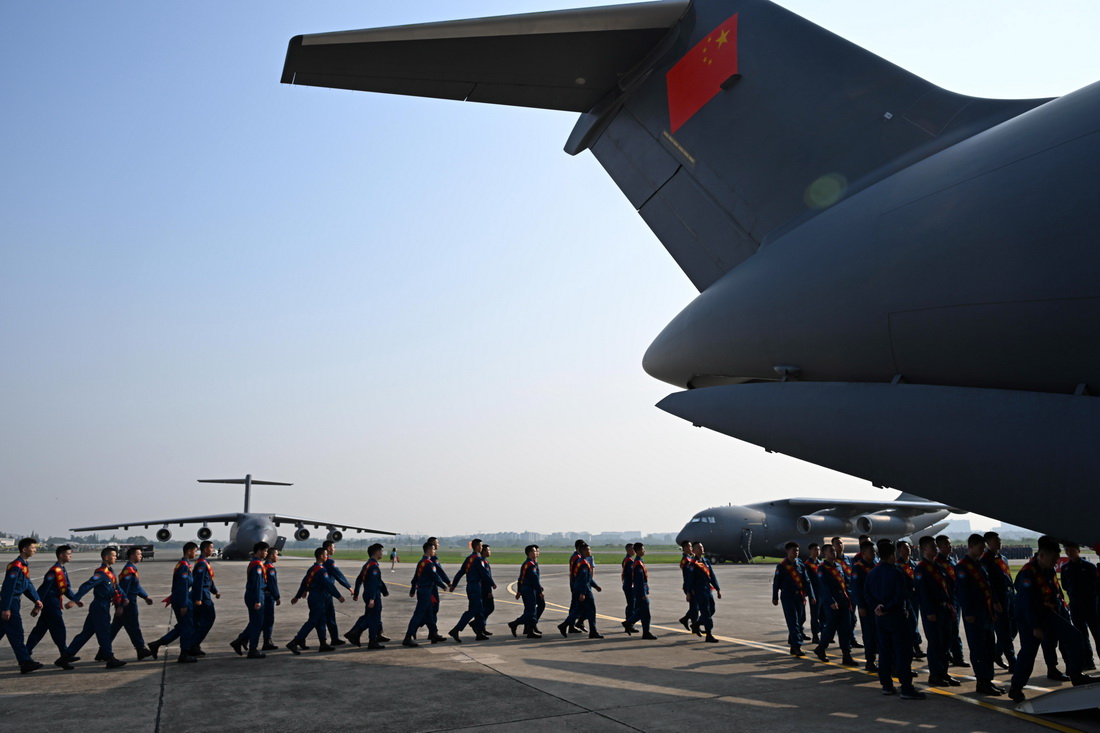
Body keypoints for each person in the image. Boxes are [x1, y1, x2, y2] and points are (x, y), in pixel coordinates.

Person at [1008, 536, 1099, 702]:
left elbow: (1053, 594)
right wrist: (1036, 627)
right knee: (1029, 653)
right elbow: (1027, 604)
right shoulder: (1027, 573)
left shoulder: (1048, 570)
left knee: (1074, 636)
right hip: (1029, 618)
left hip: (1046, 612)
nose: (1055, 562)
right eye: (1053, 559)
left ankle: (1076, 675)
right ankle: (1016, 688)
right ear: (1041, 555)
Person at [864, 540, 925, 699]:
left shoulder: (872, 573)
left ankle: (886, 685)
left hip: (880, 619)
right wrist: (887, 608)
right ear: (892, 555)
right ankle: (906, 687)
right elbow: (900, 595)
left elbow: (867, 594)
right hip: (896, 617)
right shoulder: (896, 572)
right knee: (902, 652)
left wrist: (877, 607)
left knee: (884, 651)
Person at [63, 546, 130, 669]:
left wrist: (124, 598)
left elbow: (117, 587)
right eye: (114, 556)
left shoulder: (110, 572)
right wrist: (74, 600)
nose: (116, 557)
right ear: (106, 557)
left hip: (103, 605)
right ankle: (110, 658)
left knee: (87, 633)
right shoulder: (101, 573)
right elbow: (86, 586)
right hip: (100, 606)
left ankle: (65, 657)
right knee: (104, 632)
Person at [955, 534, 1004, 695]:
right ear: (971, 546)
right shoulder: (963, 566)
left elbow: (988, 586)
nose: (983, 550)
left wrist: (995, 602)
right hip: (974, 614)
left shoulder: (978, 564)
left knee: (989, 647)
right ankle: (982, 682)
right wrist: (968, 612)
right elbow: (963, 592)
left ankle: (988, 680)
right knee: (979, 649)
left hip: (986, 612)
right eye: (980, 547)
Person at [26, 544, 82, 668]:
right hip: (50, 603)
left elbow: (66, 589)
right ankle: (64, 655)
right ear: (61, 555)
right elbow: (43, 589)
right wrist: (37, 605)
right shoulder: (54, 571)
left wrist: (75, 599)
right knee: (59, 629)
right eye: (68, 554)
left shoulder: (62, 569)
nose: (71, 556)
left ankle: (26, 652)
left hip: (54, 602)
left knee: (40, 630)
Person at [914, 535, 959, 687]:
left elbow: (948, 589)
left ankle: (943, 673)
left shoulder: (938, 566)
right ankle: (935, 675)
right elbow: (923, 593)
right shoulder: (921, 568)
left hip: (944, 608)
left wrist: (951, 606)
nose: (935, 549)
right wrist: (929, 611)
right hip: (933, 611)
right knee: (935, 644)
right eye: (932, 547)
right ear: (924, 549)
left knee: (946, 643)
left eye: (935, 546)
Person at [286, 547, 346, 654]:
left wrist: (297, 596)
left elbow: (304, 583)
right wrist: (338, 596)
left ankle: (323, 644)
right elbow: (329, 585)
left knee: (320, 621)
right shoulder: (322, 571)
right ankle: (295, 641)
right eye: (326, 555)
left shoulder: (312, 569)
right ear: (321, 556)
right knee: (313, 621)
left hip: (314, 597)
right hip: (318, 598)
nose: (327, 557)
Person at [149, 541, 200, 664]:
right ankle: (184, 654)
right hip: (183, 599)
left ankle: (157, 644)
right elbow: (183, 586)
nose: (196, 553)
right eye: (195, 550)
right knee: (188, 627)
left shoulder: (184, 564)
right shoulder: (183, 566)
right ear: (189, 551)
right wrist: (183, 604)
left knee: (182, 626)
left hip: (180, 598)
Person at [1, 538, 45, 673]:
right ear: (24, 549)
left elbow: (27, 585)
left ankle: (25, 661)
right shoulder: (16, 566)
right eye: (33, 547)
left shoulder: (23, 565)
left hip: (13, 602)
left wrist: (36, 600)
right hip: (10, 603)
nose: (35, 549)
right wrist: (6, 608)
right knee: (17, 633)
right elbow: (8, 589)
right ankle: (25, 662)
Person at [108, 546, 154, 661]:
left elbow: (136, 587)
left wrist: (145, 596)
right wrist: (121, 606)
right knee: (134, 626)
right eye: (139, 554)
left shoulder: (132, 568)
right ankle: (140, 648)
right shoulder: (129, 570)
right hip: (128, 603)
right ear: (132, 556)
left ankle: (103, 650)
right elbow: (124, 590)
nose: (141, 556)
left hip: (128, 601)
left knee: (115, 627)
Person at [980, 531, 1017, 672]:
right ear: (988, 543)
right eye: (996, 540)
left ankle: (997, 652)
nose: (999, 542)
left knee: (1014, 627)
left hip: (1009, 597)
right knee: (1004, 630)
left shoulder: (1003, 558)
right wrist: (995, 601)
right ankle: (1012, 661)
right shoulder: (985, 560)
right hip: (999, 600)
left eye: (999, 539)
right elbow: (989, 584)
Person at [813, 544, 856, 664]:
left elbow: (846, 582)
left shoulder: (839, 566)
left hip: (843, 600)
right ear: (824, 554)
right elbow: (824, 587)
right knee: (830, 628)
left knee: (846, 628)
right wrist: (831, 601)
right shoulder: (822, 568)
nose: (833, 553)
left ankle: (846, 655)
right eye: (830, 551)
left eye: (834, 551)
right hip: (832, 602)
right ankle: (821, 648)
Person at [1061, 541, 1100, 670]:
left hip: (1091, 605)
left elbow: (1096, 585)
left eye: (1072, 550)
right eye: (1067, 550)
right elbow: (1065, 586)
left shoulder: (1089, 567)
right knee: (1082, 635)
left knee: (1097, 634)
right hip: (1076, 606)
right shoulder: (1065, 568)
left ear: (1078, 550)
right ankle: (1088, 661)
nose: (1069, 552)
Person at [772, 541, 814, 656]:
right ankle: (797, 646)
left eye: (797, 551)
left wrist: (811, 595)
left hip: (799, 596)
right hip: (787, 596)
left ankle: (792, 642)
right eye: (793, 550)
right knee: (793, 621)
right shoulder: (782, 566)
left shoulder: (801, 565)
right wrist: (774, 597)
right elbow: (776, 582)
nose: (796, 553)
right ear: (788, 551)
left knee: (801, 620)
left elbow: (807, 581)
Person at [404, 541, 448, 647]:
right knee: (418, 614)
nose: (434, 551)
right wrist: (443, 586)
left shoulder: (421, 562)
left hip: (423, 591)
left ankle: (434, 633)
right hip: (426, 591)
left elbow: (415, 577)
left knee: (429, 615)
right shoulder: (429, 563)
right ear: (428, 550)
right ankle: (408, 637)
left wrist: (412, 589)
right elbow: (435, 576)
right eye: (433, 549)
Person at [230, 541, 269, 658]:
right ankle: (253, 649)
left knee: (255, 622)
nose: (266, 553)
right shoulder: (257, 565)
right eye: (265, 551)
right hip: (255, 595)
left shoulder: (255, 563)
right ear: (259, 551)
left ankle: (239, 641)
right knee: (257, 623)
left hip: (254, 595)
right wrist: (258, 600)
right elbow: (257, 584)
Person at [449, 539, 493, 642]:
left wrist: (454, 585)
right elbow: (483, 573)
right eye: (481, 546)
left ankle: (479, 633)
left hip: (470, 586)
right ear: (477, 547)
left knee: (479, 610)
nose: (482, 548)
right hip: (475, 586)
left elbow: (460, 572)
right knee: (474, 610)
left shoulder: (469, 558)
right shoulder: (478, 559)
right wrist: (492, 583)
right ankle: (456, 629)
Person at [348, 543, 388, 649]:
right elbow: (374, 584)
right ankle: (369, 639)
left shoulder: (368, 565)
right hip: (372, 595)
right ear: (376, 552)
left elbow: (359, 579)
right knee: (373, 618)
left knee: (371, 616)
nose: (382, 553)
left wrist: (356, 593)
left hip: (368, 593)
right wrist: (372, 598)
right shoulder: (374, 566)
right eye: (381, 551)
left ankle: (373, 635)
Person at [935, 535, 967, 667]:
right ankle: (953, 655)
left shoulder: (952, 561)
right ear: (940, 547)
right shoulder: (936, 563)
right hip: (946, 600)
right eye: (947, 545)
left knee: (954, 629)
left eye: (950, 544)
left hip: (956, 598)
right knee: (950, 630)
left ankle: (957, 656)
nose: (950, 547)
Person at [850, 540, 878, 671]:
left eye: (874, 551)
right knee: (869, 634)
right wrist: (860, 606)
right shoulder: (858, 567)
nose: (873, 554)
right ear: (863, 553)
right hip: (866, 606)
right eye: (871, 552)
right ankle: (870, 661)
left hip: (878, 605)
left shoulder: (876, 565)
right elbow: (856, 589)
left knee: (879, 634)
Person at [685, 542, 720, 643]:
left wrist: (717, 589)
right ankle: (709, 634)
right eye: (699, 548)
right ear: (694, 551)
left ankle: (696, 624)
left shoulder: (706, 561)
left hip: (708, 590)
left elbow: (712, 576)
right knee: (706, 612)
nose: (702, 549)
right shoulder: (693, 564)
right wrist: (688, 592)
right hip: (699, 591)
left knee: (712, 609)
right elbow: (689, 580)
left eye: (702, 547)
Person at [189, 540, 219, 657]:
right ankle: (194, 643)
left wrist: (215, 591)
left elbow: (209, 580)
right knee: (209, 618)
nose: (213, 550)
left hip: (205, 592)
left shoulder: (205, 562)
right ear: (206, 549)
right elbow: (198, 582)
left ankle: (194, 645)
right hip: (203, 595)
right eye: (211, 548)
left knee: (199, 621)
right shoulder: (201, 563)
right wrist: (198, 598)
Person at [895, 541, 925, 660]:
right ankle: (915, 647)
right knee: (909, 623)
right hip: (905, 598)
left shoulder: (913, 564)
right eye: (905, 548)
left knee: (914, 621)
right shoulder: (897, 566)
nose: (908, 550)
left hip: (914, 598)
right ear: (899, 550)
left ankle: (914, 646)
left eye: (909, 547)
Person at [321, 539, 353, 646]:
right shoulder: (329, 562)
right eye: (334, 547)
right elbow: (339, 575)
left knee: (324, 617)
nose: (334, 549)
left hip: (323, 592)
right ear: (329, 548)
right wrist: (349, 587)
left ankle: (334, 638)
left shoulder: (321, 562)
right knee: (324, 617)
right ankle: (300, 639)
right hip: (326, 593)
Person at [623, 543, 656, 639]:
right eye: (642, 549)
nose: (644, 551)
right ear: (637, 551)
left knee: (642, 611)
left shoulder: (638, 561)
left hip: (640, 591)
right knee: (645, 613)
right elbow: (639, 580)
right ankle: (645, 632)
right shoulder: (638, 563)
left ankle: (628, 623)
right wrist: (643, 593)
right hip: (640, 592)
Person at [510, 545, 544, 638]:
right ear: (529, 553)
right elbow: (534, 579)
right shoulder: (530, 564)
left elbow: (521, 578)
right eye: (534, 551)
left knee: (530, 610)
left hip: (527, 589)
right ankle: (515, 623)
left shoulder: (529, 563)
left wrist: (519, 590)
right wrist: (539, 591)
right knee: (530, 611)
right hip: (529, 590)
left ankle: (530, 630)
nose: (536, 553)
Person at [573, 544, 603, 638]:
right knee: (591, 610)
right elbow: (584, 580)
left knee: (581, 610)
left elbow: (587, 578)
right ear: (583, 551)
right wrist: (582, 593)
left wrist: (596, 586)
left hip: (583, 588)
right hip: (585, 589)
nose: (590, 551)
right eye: (588, 550)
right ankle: (593, 631)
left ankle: (567, 624)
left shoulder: (582, 561)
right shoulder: (584, 563)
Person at [804, 542, 824, 645]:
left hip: (822, 592)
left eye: (819, 549)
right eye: (815, 549)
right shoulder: (807, 564)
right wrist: (810, 594)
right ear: (810, 551)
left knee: (823, 615)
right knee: (815, 614)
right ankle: (815, 635)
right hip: (814, 592)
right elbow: (807, 581)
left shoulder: (820, 563)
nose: (818, 551)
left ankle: (824, 634)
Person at [678, 540, 699, 633]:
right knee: (695, 607)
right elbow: (688, 576)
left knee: (694, 607)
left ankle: (687, 620)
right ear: (686, 548)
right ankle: (694, 626)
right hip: (689, 586)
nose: (691, 548)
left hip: (690, 585)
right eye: (690, 547)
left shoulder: (688, 559)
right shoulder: (686, 560)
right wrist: (690, 590)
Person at [261, 548, 281, 651]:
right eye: (276, 554)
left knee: (262, 620)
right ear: (271, 556)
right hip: (269, 597)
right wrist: (277, 597)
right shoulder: (270, 568)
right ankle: (267, 642)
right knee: (268, 620)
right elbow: (272, 585)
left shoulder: (264, 566)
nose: (277, 557)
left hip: (264, 595)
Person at [480, 544, 496, 633]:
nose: (490, 552)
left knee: (486, 608)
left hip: (485, 588)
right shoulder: (482, 562)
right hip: (484, 589)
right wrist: (489, 590)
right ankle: (478, 623)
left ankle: (482, 626)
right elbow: (486, 577)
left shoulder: (485, 561)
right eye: (488, 550)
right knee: (489, 608)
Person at [621, 542, 636, 620]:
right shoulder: (629, 560)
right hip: (629, 585)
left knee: (631, 604)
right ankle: (629, 622)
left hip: (627, 584)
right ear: (629, 550)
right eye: (633, 549)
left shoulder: (627, 559)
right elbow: (631, 573)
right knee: (631, 604)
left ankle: (629, 621)